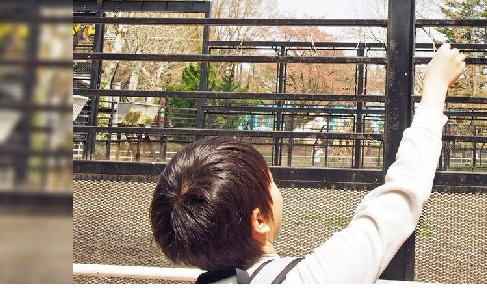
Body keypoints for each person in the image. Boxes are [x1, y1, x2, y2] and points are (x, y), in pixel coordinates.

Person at [149, 43, 466, 284]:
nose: (276, 187)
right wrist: (435, 87)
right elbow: (399, 200)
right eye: (269, 183)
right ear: (259, 220)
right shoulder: (313, 279)